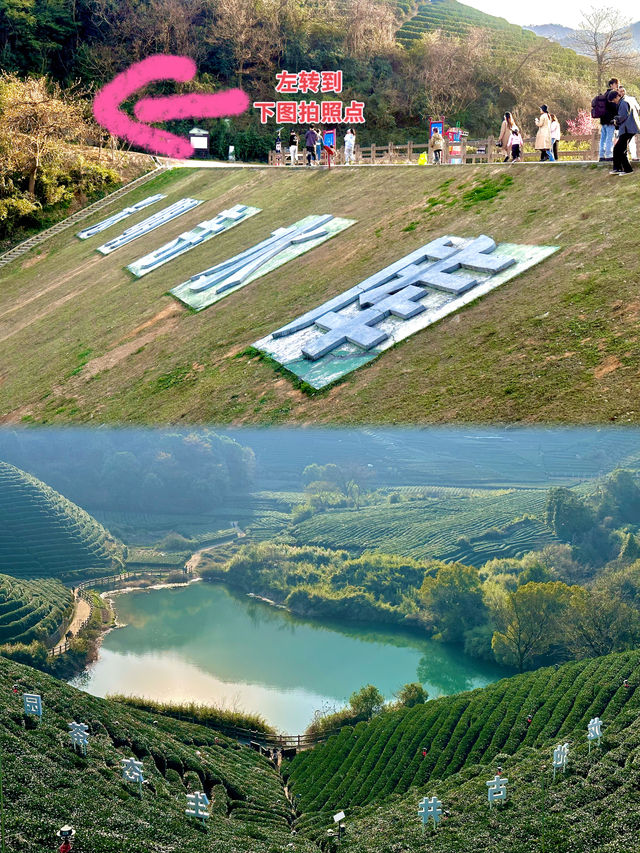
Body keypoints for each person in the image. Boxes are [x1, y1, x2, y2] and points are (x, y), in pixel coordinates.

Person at [610, 88, 639, 175]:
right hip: (629, 128)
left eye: (613, 100)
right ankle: (617, 168)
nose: (613, 102)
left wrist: (615, 120)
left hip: (627, 129)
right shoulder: (626, 100)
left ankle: (627, 169)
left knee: (620, 149)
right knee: (619, 148)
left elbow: (623, 116)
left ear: (616, 97)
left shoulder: (623, 103)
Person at [594, 78, 620, 161]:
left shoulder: (604, 94)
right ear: (611, 85)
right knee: (609, 138)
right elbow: (614, 107)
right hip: (610, 120)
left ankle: (601, 155)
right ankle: (609, 155)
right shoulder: (611, 95)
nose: (617, 86)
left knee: (603, 139)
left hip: (603, 120)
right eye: (616, 84)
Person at [618, 87, 639, 161]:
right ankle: (623, 158)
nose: (622, 93)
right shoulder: (617, 101)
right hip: (621, 124)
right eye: (620, 91)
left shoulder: (631, 99)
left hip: (630, 123)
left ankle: (634, 156)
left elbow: (638, 109)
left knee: (631, 141)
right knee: (621, 142)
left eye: (623, 91)